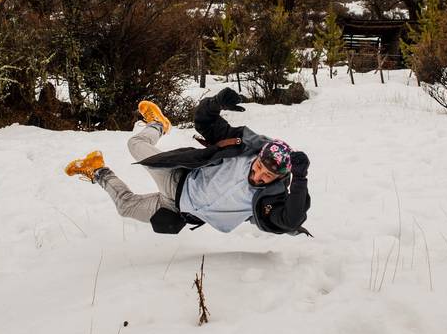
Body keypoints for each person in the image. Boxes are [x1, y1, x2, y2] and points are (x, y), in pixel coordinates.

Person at [64, 88, 311, 236]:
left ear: (278, 179)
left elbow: (289, 219)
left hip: (180, 211)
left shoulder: (272, 198)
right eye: (258, 168)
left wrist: (300, 179)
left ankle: (97, 169)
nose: (258, 177)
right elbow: (205, 123)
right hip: (177, 182)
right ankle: (159, 124)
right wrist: (215, 103)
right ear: (257, 157)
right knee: (135, 145)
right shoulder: (241, 147)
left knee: (125, 207)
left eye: (266, 177)